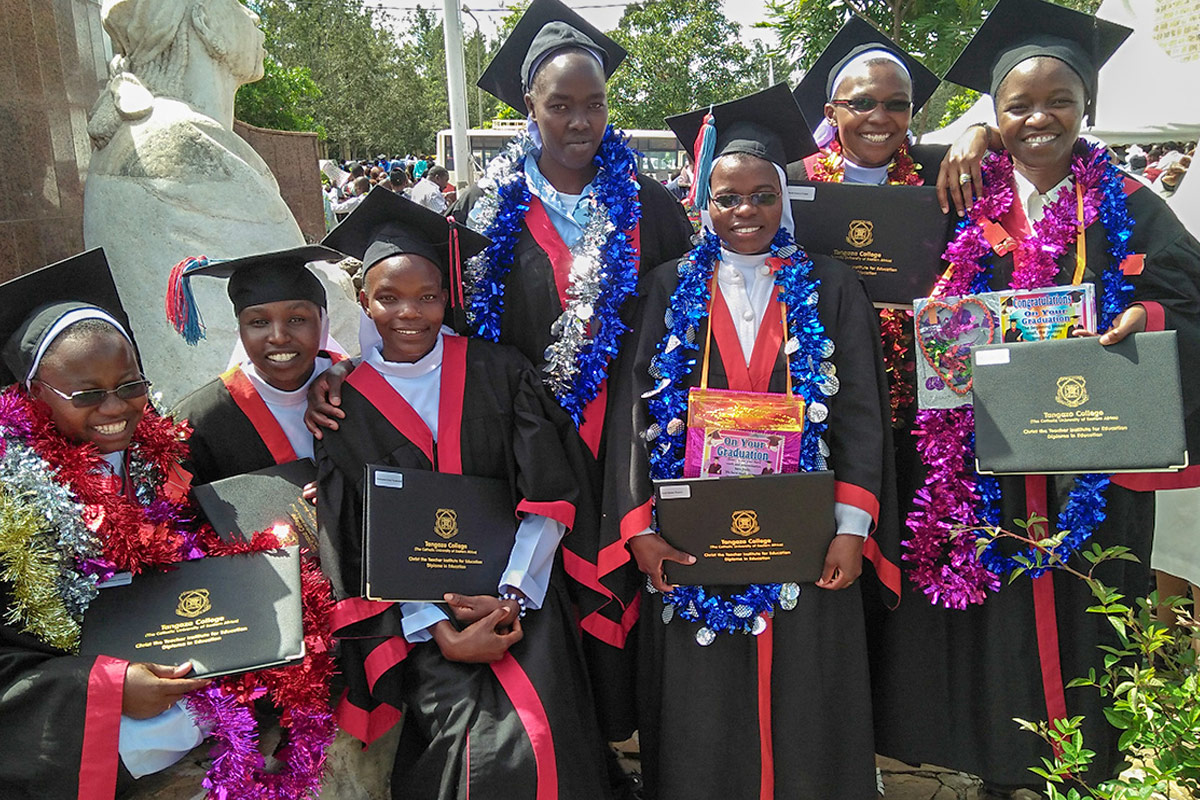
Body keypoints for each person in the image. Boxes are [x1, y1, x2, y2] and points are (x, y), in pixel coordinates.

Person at [870, 0, 1200, 793]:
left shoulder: (1130, 202)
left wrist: (1142, 317)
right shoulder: (957, 194)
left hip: (1088, 451)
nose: (1039, 118)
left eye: (1060, 101)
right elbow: (866, 182)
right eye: (1017, 105)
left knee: (1092, 607)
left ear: (1090, 108)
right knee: (996, 615)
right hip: (986, 458)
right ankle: (1001, 765)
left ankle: (1090, 770)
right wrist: (967, 138)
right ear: (994, 113)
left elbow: (1187, 302)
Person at [605, 84, 898, 799]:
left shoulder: (829, 285)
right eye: (727, 198)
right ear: (703, 201)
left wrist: (852, 529)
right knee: (703, 703)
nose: (745, 214)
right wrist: (639, 527)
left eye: (762, 197)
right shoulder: (667, 287)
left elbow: (860, 409)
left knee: (807, 691)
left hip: (806, 537)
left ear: (785, 197)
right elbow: (633, 416)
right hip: (694, 536)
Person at [449, 0, 695, 745]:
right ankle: (562, 750)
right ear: (531, 106)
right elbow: (454, 326)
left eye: (595, 103)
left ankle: (632, 737)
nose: (580, 121)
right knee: (540, 587)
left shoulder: (652, 208)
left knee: (628, 585)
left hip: (627, 439)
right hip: (523, 447)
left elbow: (683, 328)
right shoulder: (482, 211)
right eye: (561, 105)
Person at [314, 191, 610, 798]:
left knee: (544, 732)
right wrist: (435, 626)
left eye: (427, 296)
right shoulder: (348, 406)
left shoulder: (500, 371)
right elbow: (362, 540)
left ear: (448, 297)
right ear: (364, 303)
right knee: (466, 747)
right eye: (389, 298)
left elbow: (550, 493)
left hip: (523, 592)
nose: (409, 313)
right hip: (418, 617)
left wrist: (511, 596)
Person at [0, 249, 211, 798]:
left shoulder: (162, 455)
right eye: (87, 394)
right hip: (67, 695)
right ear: (31, 395)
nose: (114, 407)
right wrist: (109, 687)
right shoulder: (9, 496)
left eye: (131, 385)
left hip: (174, 659)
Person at [166, 245, 348, 484]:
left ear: (323, 323)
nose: (279, 337)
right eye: (259, 322)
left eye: (297, 319)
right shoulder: (199, 422)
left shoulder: (359, 385)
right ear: (239, 330)